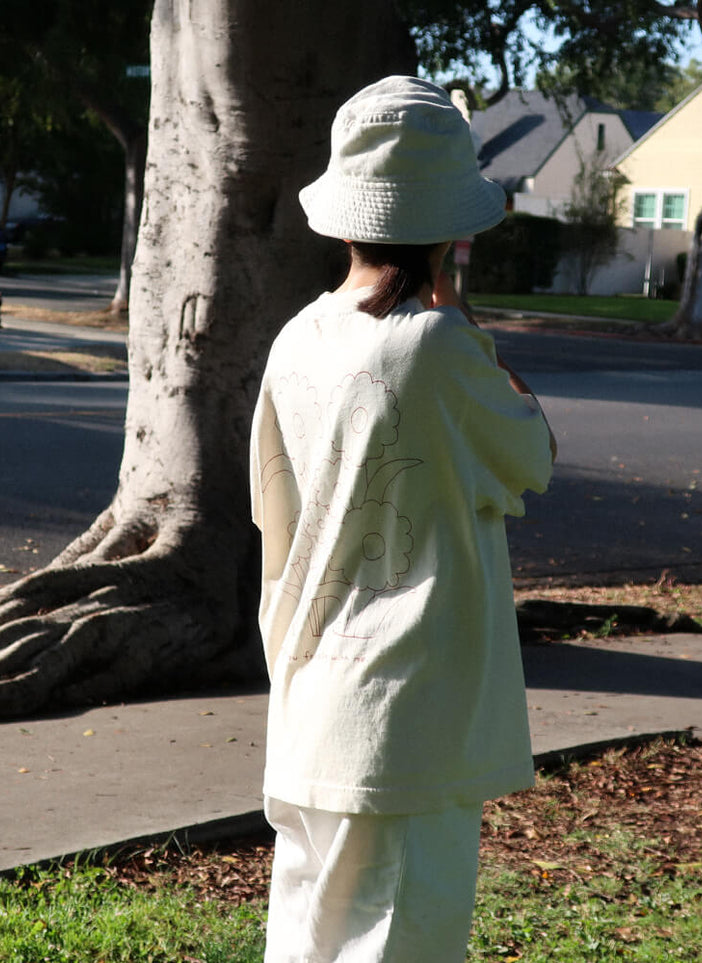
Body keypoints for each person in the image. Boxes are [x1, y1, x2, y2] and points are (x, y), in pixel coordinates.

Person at [248, 75, 557, 962]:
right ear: (452, 228)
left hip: (310, 692)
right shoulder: (439, 346)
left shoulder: (298, 337)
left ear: (345, 215)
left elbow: (275, 501)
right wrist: (462, 316)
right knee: (399, 937)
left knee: (307, 940)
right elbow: (527, 456)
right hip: (404, 715)